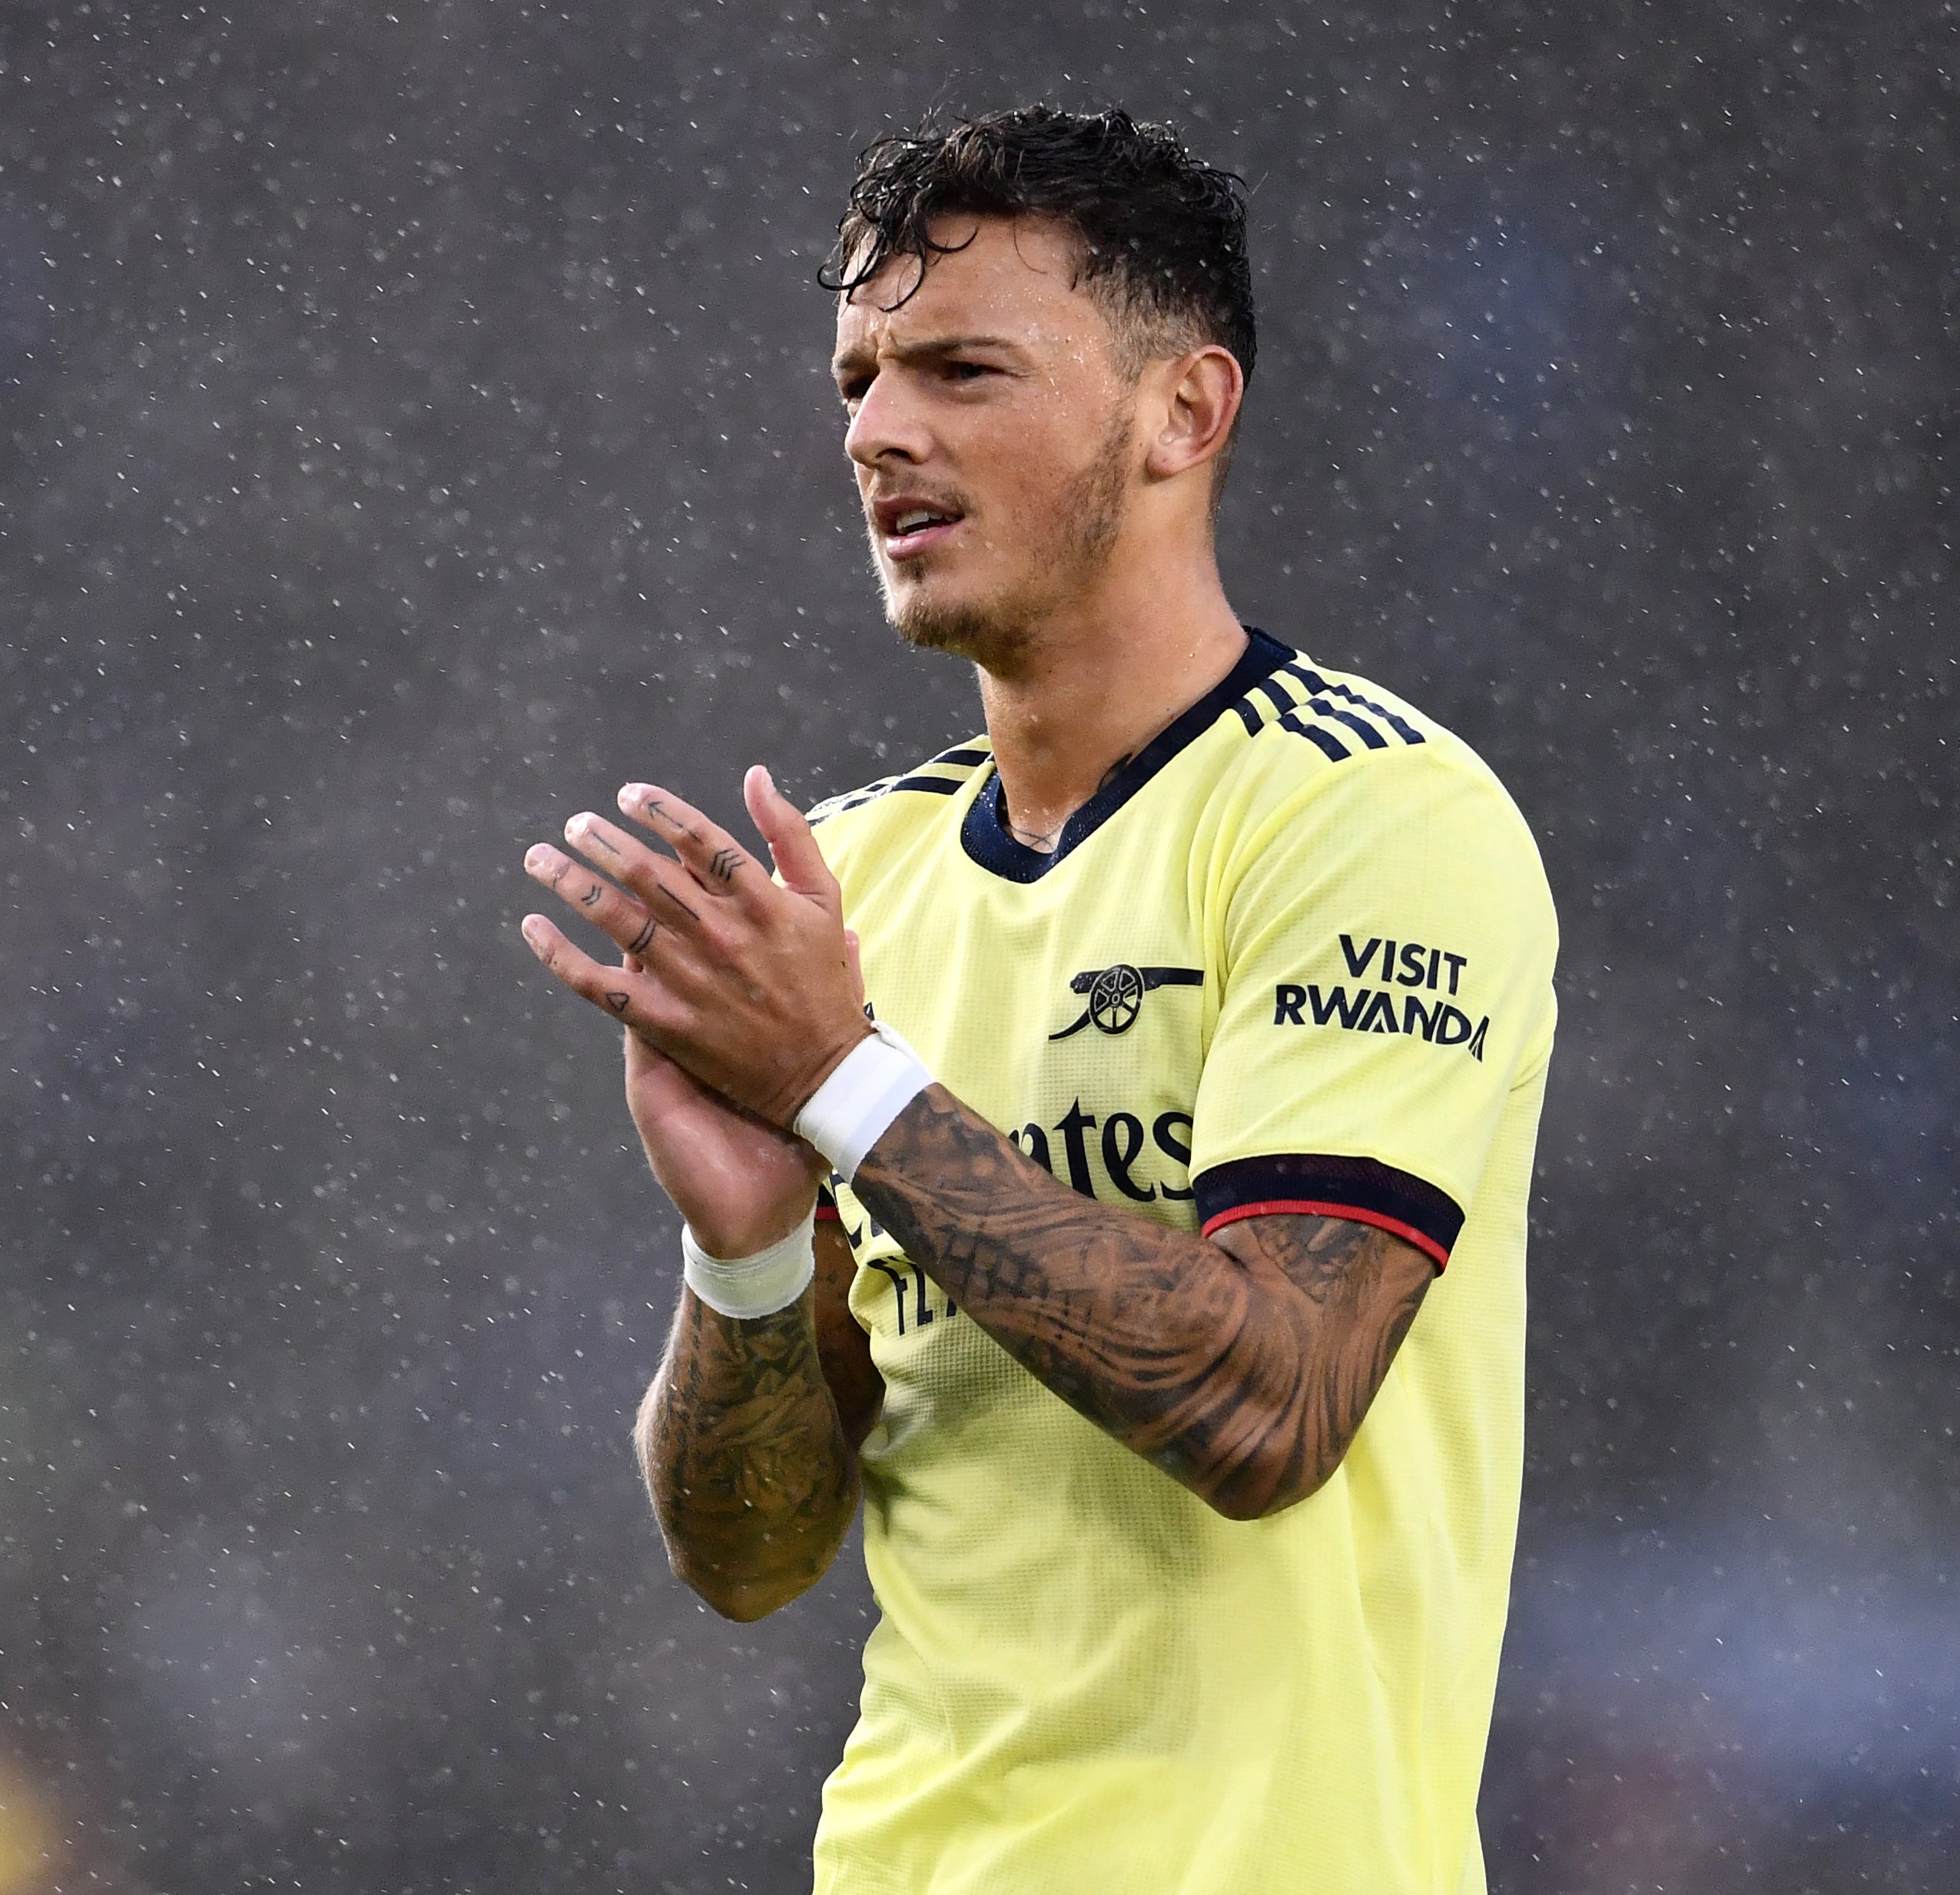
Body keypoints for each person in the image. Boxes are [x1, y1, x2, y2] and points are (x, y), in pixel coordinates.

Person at [517, 106, 1558, 1895]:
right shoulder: (856, 887)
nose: (876, 430)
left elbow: (1270, 1408)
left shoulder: (1369, 818)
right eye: (857, 378)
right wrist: (749, 1248)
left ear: (1185, 412)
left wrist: (845, 1089)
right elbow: (752, 1555)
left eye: (962, 367)